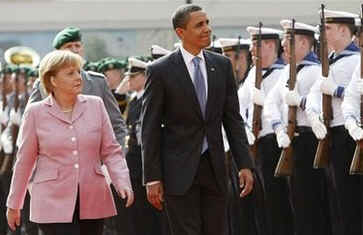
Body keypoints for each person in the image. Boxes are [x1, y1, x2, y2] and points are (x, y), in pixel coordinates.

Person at [141, 4, 254, 235]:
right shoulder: (160, 70)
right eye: (199, 25)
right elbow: (149, 127)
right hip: (177, 170)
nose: (207, 29)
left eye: (207, 23)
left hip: (215, 167)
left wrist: (244, 163)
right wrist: (152, 177)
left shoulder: (221, 66)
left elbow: (232, 118)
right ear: (181, 33)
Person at [6, 50, 134, 235]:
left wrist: (122, 181)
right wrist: (14, 204)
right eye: (70, 73)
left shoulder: (95, 105)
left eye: (78, 71)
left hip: (93, 198)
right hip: (51, 201)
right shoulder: (35, 112)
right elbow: (24, 162)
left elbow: (111, 151)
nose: (78, 77)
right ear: (53, 81)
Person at [264, 19, 331, 235]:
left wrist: (300, 101)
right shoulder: (287, 72)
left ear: (303, 43)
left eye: (288, 40)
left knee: (312, 202)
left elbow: (322, 110)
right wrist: (278, 128)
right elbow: (270, 102)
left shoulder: (314, 72)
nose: (283, 44)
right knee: (297, 202)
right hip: (292, 139)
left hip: (310, 139)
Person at [306, 9, 361, 235]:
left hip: (351, 135)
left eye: (328, 28)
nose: (323, 33)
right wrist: (314, 114)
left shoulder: (356, 60)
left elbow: (357, 94)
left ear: (342, 30)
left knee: (352, 201)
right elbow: (313, 94)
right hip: (332, 135)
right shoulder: (330, 62)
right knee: (337, 201)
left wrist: (337, 90)